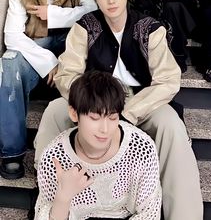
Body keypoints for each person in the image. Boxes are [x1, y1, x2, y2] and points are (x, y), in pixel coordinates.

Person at [34, 0, 203, 220]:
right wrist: (89, 102)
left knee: (170, 124)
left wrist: (127, 112)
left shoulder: (150, 28)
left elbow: (168, 80)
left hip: (142, 100)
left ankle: (184, 215)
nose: (110, 0)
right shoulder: (85, 27)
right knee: (55, 110)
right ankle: (47, 201)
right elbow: (67, 74)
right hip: (96, 99)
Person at [0, 0, 97, 180]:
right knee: (9, 63)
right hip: (37, 50)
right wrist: (51, 63)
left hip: (71, 45)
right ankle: (11, 152)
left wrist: (51, 14)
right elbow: (12, 35)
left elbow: (93, 14)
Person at [34, 70, 162, 219]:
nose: (105, 130)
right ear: (74, 114)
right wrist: (63, 197)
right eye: (94, 118)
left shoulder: (141, 148)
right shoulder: (54, 157)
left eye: (113, 118)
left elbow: (149, 213)